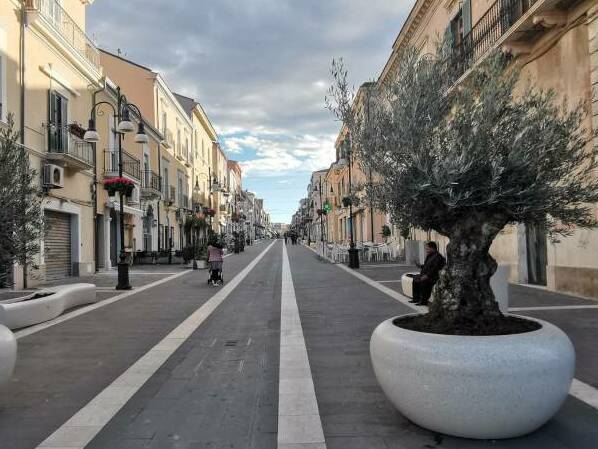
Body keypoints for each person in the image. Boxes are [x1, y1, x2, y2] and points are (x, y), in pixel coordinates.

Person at [408, 241, 446, 306]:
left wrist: (427, 276)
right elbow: (426, 266)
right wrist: (420, 266)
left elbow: (434, 269)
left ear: (433, 248)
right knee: (415, 279)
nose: (426, 250)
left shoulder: (438, 257)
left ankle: (423, 301)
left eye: (428, 249)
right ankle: (416, 298)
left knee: (424, 282)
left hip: (433, 277)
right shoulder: (430, 256)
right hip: (426, 275)